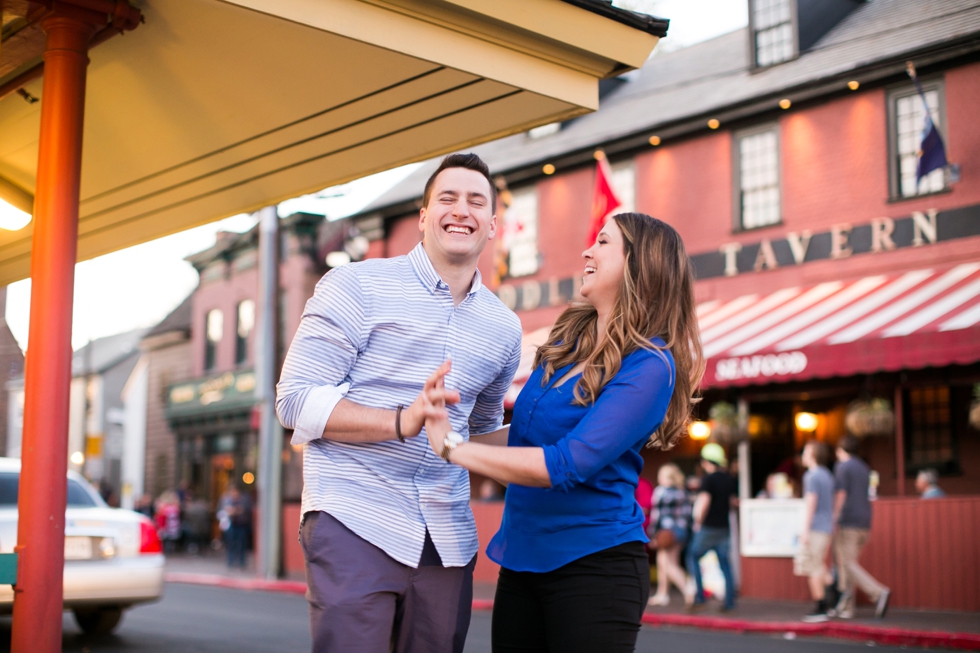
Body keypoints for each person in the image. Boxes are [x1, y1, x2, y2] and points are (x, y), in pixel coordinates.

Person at [421, 212, 704, 653]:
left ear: (639, 264)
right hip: (523, 561)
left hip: (595, 569)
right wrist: (436, 434)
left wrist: (454, 447)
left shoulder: (651, 364)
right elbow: (523, 440)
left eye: (604, 243)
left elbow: (566, 463)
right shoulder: (570, 341)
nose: (587, 251)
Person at [275, 153, 522, 653]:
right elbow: (295, 400)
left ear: (493, 225)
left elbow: (479, 434)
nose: (462, 210)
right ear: (423, 216)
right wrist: (402, 420)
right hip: (353, 515)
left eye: (477, 201)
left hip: (447, 534)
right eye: (447, 198)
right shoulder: (356, 285)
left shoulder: (505, 328)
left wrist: (573, 424)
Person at [832, 435, 890, 620]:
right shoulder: (864, 467)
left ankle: (878, 591)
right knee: (849, 563)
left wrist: (834, 516)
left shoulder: (842, 466)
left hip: (848, 521)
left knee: (847, 563)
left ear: (840, 450)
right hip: (865, 520)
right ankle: (847, 608)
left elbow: (841, 493)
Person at [687, 442, 737, 611]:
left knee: (692, 556)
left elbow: (704, 502)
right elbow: (732, 502)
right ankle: (729, 603)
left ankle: (700, 597)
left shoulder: (708, 479)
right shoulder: (728, 478)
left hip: (709, 527)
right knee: (725, 564)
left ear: (707, 461)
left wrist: (698, 521)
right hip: (724, 527)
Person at [795, 441, 836, 622]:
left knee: (812, 567)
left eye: (805, 452)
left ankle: (821, 607)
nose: (803, 455)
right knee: (820, 565)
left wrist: (805, 530)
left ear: (812, 455)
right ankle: (836, 599)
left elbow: (811, 503)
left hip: (815, 528)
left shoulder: (811, 476)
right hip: (826, 527)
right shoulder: (827, 474)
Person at [647, 463, 692, 607]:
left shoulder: (661, 492)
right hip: (680, 531)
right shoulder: (682, 492)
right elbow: (687, 515)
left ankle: (688, 588)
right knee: (666, 562)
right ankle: (662, 594)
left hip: (665, 532)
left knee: (667, 564)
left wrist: (652, 534)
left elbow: (657, 516)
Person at [217, 485, 251, 568]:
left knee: (241, 544)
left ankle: (241, 562)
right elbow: (222, 510)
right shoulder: (227, 500)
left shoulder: (244, 500)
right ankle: (230, 561)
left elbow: (245, 510)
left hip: (241, 524)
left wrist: (235, 511)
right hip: (231, 524)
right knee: (230, 543)